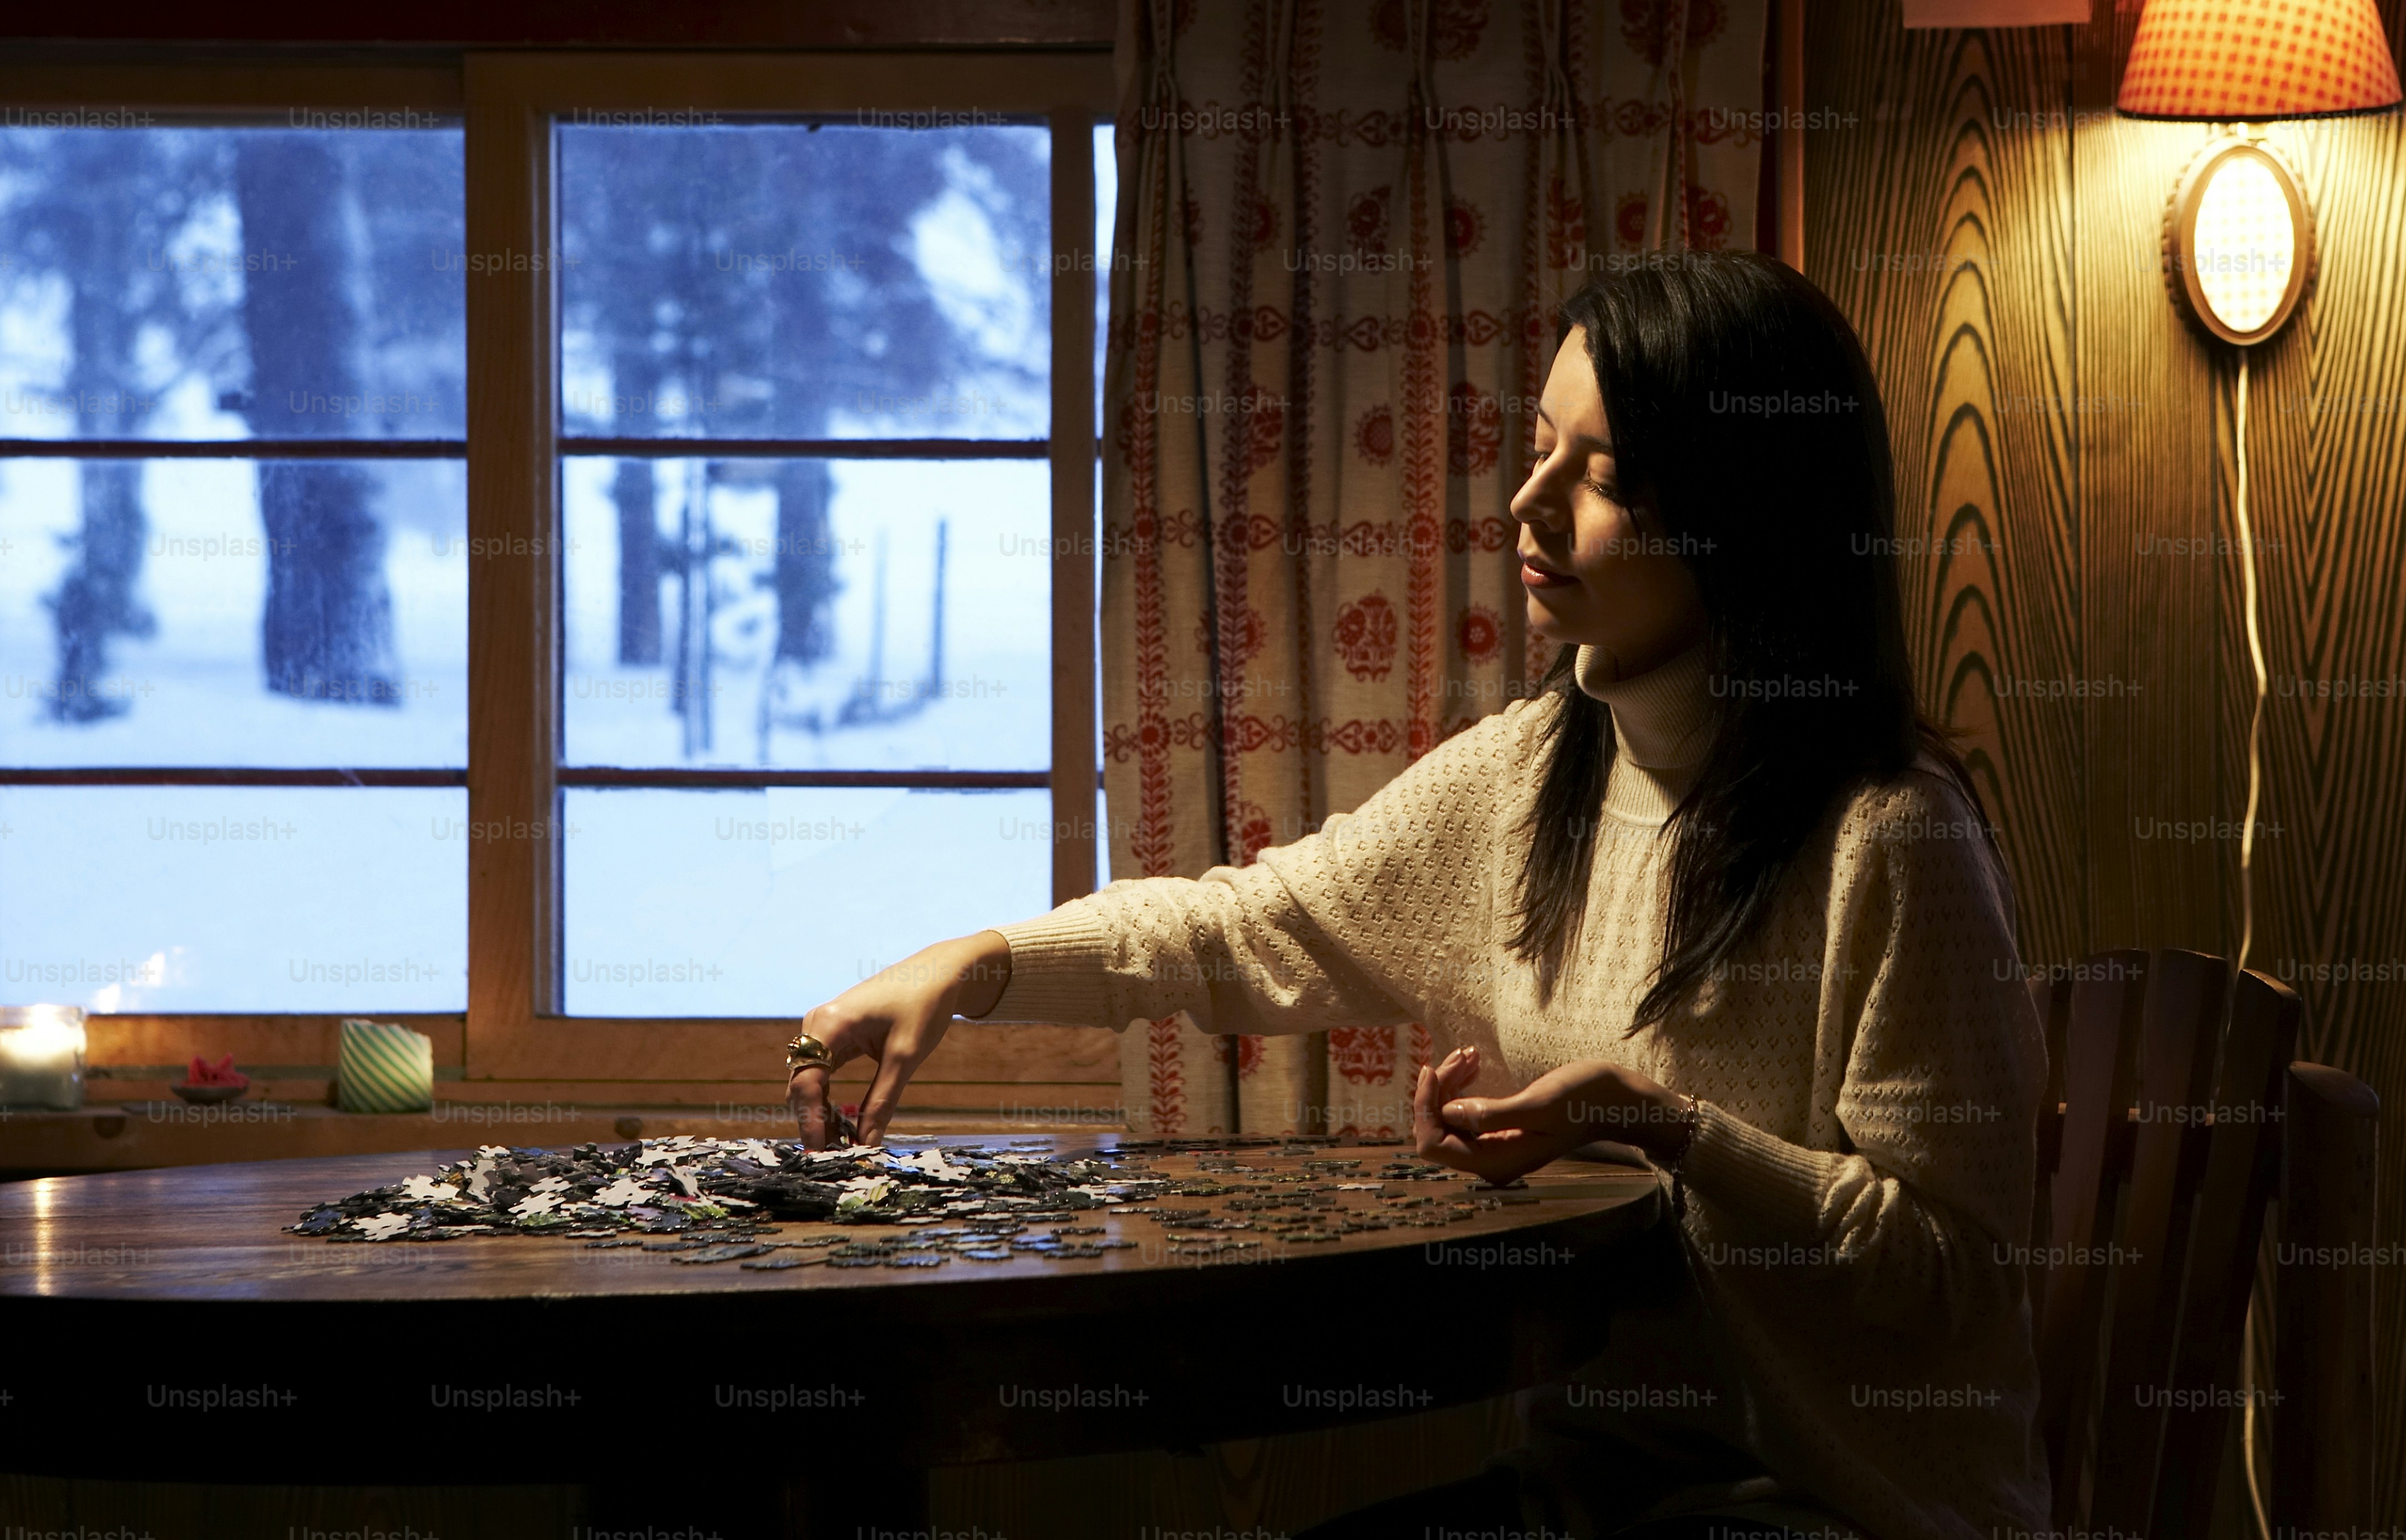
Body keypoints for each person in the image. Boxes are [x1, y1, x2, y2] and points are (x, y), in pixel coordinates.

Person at [783, 250, 2053, 1540]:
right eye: (1542, 446)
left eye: (1602, 475)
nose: (1531, 502)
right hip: (1599, 1487)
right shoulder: (1533, 772)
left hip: (1846, 1511)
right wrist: (980, 962)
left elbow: (1953, 1274)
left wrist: (1675, 1131)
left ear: (1749, 513)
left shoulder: (1889, 832)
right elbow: (1246, 927)